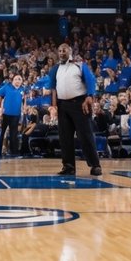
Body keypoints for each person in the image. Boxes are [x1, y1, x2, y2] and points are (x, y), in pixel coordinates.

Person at [47, 42, 102, 176]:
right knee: (65, 137)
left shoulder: (80, 65)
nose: (61, 53)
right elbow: (53, 89)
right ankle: (69, 166)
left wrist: (90, 96)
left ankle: (95, 165)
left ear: (70, 51)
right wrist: (53, 106)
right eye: (59, 50)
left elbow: (90, 81)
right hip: (62, 106)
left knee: (85, 135)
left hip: (80, 104)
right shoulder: (55, 69)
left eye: (64, 50)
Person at [0, 73, 26, 156]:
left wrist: (24, 107)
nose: (18, 81)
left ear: (22, 81)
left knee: (13, 134)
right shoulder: (7, 87)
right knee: (2, 133)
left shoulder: (22, 89)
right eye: (16, 79)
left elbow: (24, 100)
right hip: (5, 114)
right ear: (12, 80)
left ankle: (14, 153)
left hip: (16, 115)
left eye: (19, 79)